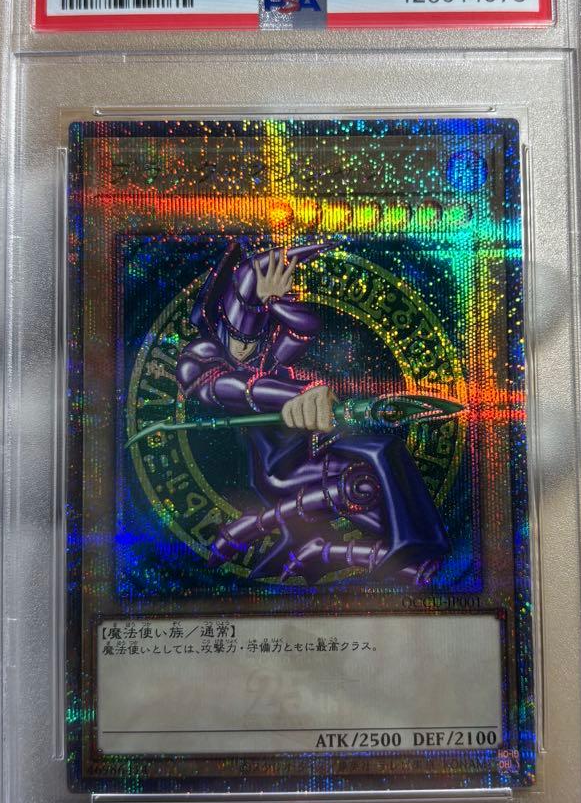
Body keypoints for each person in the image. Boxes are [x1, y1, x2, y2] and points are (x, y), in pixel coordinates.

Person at [175, 240, 451, 585]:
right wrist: (296, 394)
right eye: (238, 340)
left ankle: (352, 549)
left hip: (310, 452)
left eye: (252, 341)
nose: (245, 351)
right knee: (361, 484)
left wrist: (275, 302)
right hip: (279, 471)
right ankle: (291, 538)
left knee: (378, 459)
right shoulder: (201, 357)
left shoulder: (266, 353)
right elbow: (227, 387)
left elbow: (304, 328)